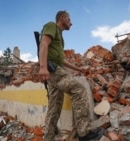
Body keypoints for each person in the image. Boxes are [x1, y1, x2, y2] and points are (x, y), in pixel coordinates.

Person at [38, 10, 103, 141]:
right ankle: (84, 133)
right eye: (69, 19)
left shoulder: (60, 37)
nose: (71, 23)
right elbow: (43, 44)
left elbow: (61, 60)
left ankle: (48, 138)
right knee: (79, 90)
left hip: (55, 69)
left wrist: (78, 68)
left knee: (54, 107)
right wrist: (43, 67)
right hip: (53, 70)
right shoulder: (51, 26)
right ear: (62, 18)